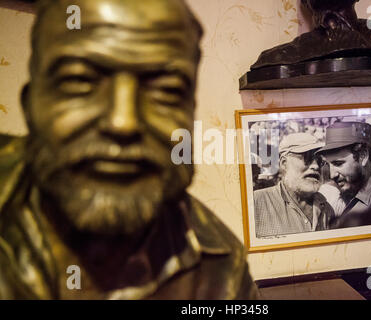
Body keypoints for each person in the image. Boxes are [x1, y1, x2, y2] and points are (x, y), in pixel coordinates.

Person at [0, 0, 258, 299]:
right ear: (30, 105)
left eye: (167, 90)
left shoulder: (222, 270)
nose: (124, 122)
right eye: (80, 80)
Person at [253, 133, 333, 238]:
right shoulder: (256, 203)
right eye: (307, 158)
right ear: (284, 163)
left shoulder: (327, 209)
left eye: (319, 161)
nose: (316, 166)